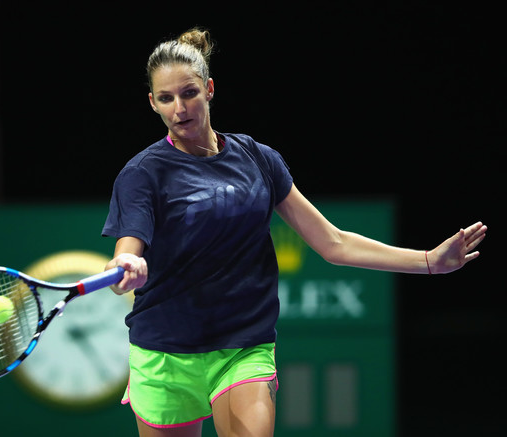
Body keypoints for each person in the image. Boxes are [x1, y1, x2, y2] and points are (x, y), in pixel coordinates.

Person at [102, 28, 487, 437]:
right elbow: (130, 246)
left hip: (243, 345)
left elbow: (333, 243)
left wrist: (428, 262)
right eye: (166, 98)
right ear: (153, 103)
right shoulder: (142, 173)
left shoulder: (259, 159)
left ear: (209, 88)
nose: (180, 108)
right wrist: (127, 261)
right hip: (165, 351)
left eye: (189, 92)